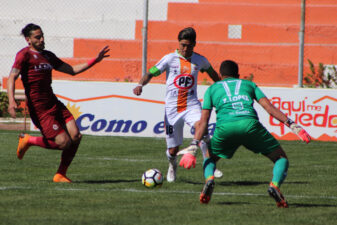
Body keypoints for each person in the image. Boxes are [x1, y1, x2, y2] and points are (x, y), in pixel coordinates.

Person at [178, 60, 311, 207]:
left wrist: (193, 145)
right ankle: (274, 185)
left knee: (210, 158)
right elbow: (269, 108)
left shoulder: (212, 89)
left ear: (221, 75)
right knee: (281, 158)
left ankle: (209, 179)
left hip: (225, 128)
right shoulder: (249, 84)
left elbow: (203, 121)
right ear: (238, 75)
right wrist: (292, 125)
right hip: (250, 126)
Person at [7, 23, 110, 183]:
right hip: (39, 108)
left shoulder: (48, 56)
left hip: (54, 103)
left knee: (76, 136)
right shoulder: (24, 55)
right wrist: (11, 101)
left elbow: (72, 70)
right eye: (37, 37)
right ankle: (29, 140)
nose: (42, 39)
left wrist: (95, 61)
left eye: (42, 36)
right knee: (63, 142)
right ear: (28, 40)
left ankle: (60, 174)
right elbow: (12, 77)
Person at [133, 27, 223, 182]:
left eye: (188, 45)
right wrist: (140, 84)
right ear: (178, 43)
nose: (185, 48)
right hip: (172, 110)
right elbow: (150, 73)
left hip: (191, 105)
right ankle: (172, 164)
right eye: (182, 45)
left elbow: (213, 74)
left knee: (202, 130)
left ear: (195, 44)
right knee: (173, 149)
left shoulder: (200, 60)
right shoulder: (169, 59)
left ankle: (210, 166)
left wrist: (223, 88)